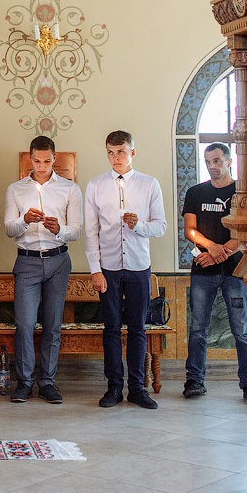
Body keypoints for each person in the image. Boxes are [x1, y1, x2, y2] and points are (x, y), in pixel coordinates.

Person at [84, 130, 167, 410]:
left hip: (138, 267)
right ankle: (113, 387)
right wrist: (95, 269)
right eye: (110, 152)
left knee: (137, 329)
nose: (115, 157)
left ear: (132, 152)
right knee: (111, 329)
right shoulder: (95, 185)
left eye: (120, 151)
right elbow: (91, 231)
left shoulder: (149, 184)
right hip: (108, 267)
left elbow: (161, 226)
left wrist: (139, 225)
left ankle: (137, 388)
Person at [2, 136, 82, 405]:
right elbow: (8, 229)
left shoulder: (70, 189)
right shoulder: (16, 189)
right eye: (36, 160)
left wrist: (61, 230)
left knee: (52, 324)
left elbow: (77, 229)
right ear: (29, 158)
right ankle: (24, 382)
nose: (42, 166)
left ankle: (47, 381)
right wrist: (24, 220)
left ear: (54, 158)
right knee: (24, 324)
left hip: (58, 260)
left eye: (47, 161)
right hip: (27, 261)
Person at [183, 143, 247, 405]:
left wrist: (223, 252)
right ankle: (194, 380)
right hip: (203, 269)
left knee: (241, 330)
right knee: (197, 329)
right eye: (207, 162)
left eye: (216, 161)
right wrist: (212, 248)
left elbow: (246, 231)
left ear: (228, 161)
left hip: (235, 271)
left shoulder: (242, 192)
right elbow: (189, 230)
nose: (212, 166)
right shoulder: (195, 192)